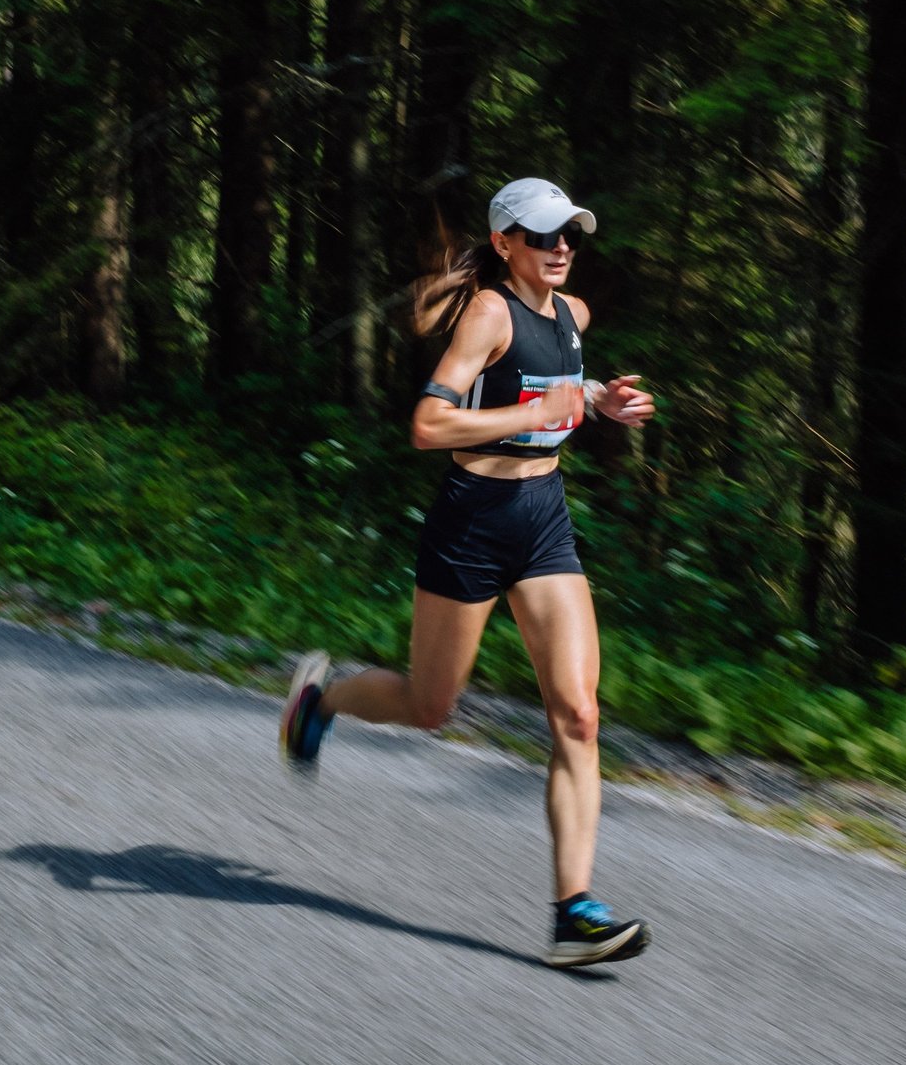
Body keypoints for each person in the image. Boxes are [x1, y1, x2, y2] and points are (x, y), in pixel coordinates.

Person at [279, 177, 657, 968]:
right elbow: (428, 422)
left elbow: (558, 391)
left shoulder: (574, 315)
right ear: (505, 243)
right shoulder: (488, 313)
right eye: (545, 236)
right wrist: (530, 416)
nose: (561, 250)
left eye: (570, 238)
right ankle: (321, 700)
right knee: (431, 704)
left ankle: (573, 912)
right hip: (472, 524)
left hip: (544, 520)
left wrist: (598, 400)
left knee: (580, 715)